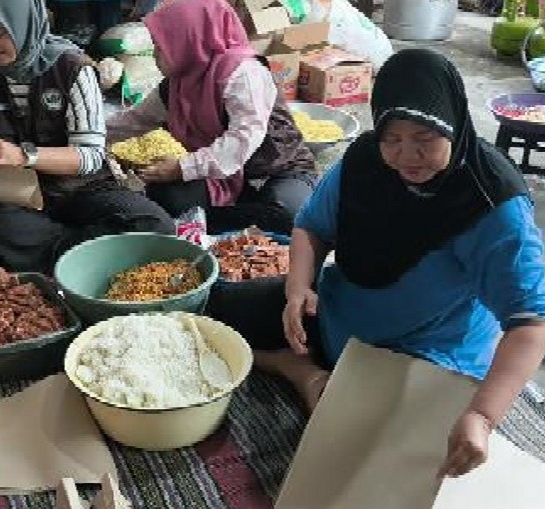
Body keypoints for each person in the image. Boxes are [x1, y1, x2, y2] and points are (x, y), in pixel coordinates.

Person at [211, 49, 545, 479]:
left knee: (369, 456)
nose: (407, 155)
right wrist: (298, 289)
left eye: (424, 139)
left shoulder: (490, 203)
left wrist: (482, 416)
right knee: (216, 313)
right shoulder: (365, 161)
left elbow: (530, 325)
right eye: (393, 138)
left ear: (454, 124)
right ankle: (303, 369)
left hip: (427, 349)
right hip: (337, 312)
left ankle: (310, 375)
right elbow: (311, 227)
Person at [0, 0, 174, 282]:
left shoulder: (72, 69)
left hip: (81, 192)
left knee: (155, 224)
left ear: (25, 22)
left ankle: (44, 254)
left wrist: (25, 156)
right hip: (14, 196)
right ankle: (81, 253)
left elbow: (90, 157)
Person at [106, 0, 317, 235]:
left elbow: (241, 141)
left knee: (289, 214)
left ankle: (236, 217)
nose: (155, 54)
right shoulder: (177, 83)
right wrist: (87, 137)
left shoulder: (243, 74)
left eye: (161, 46)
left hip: (279, 171)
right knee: (166, 197)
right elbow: (135, 120)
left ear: (189, 39)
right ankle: (237, 217)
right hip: (227, 178)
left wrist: (181, 168)